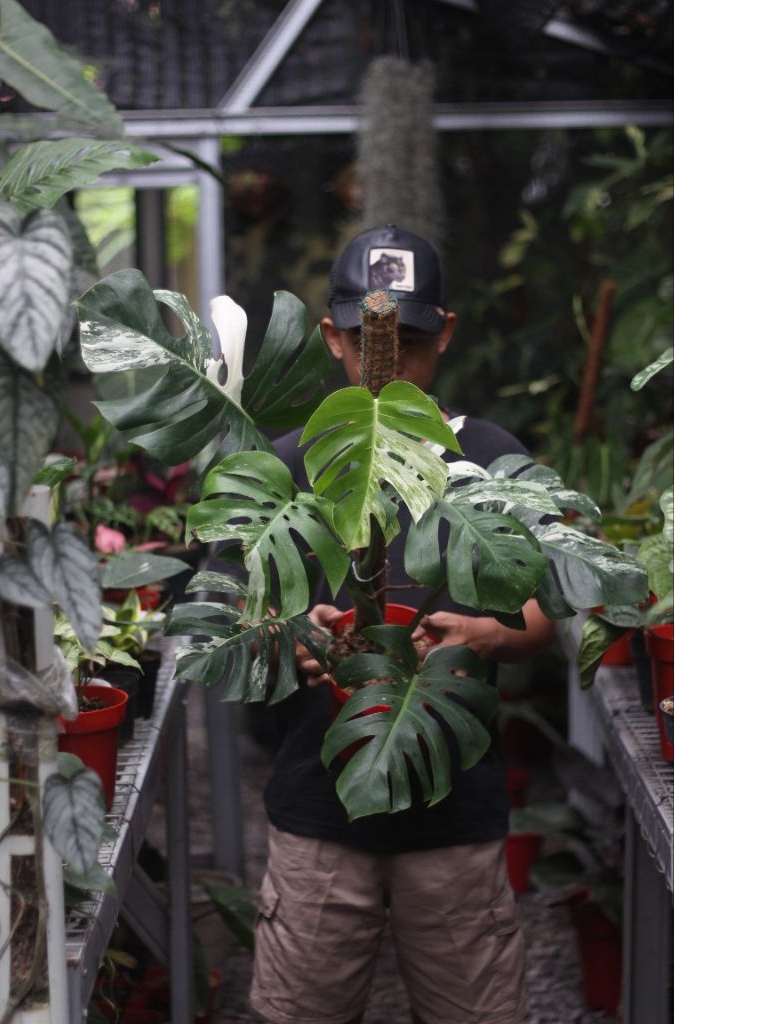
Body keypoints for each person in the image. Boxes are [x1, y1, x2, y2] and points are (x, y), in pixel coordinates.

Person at [248, 224, 556, 1024]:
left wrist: (491, 636)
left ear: (445, 333)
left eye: (410, 344)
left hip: (454, 819)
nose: (387, 364)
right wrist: (297, 636)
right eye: (365, 340)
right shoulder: (289, 465)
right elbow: (225, 615)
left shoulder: (489, 460)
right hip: (320, 817)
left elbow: (545, 609)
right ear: (331, 339)